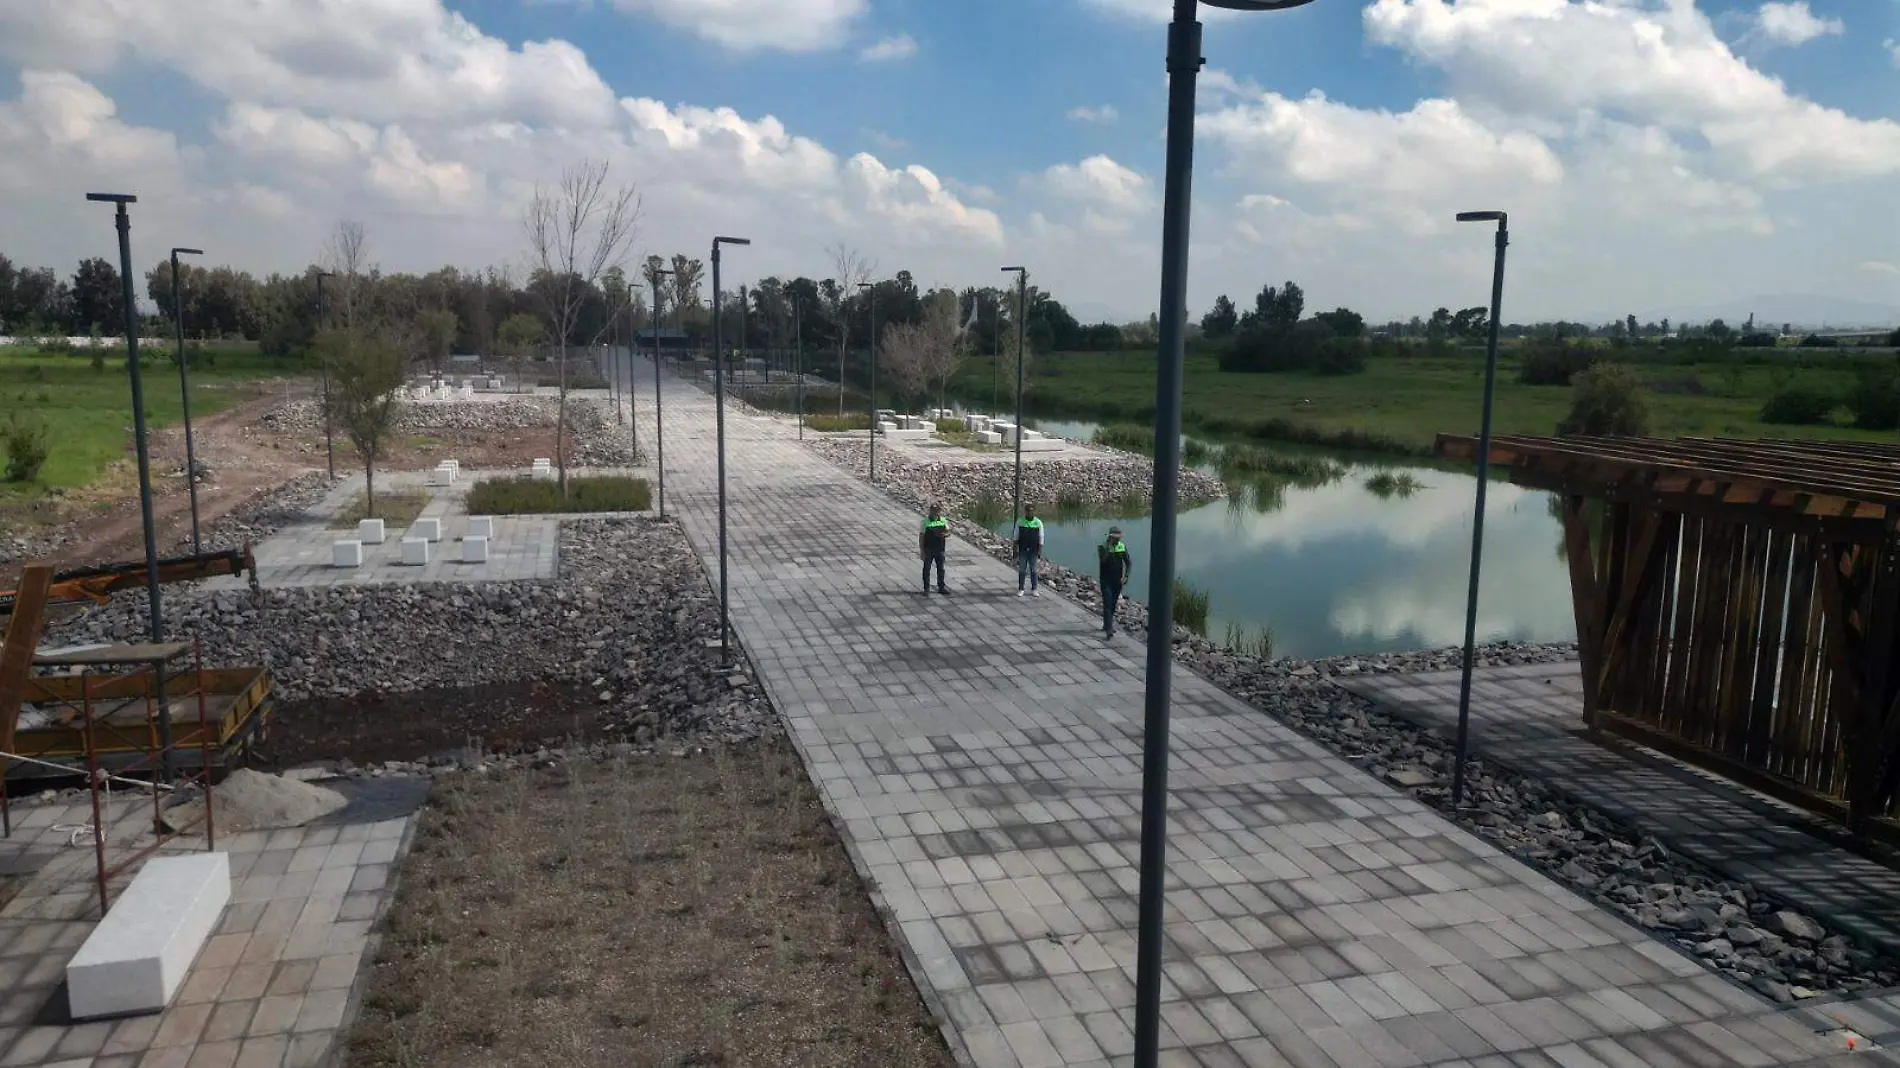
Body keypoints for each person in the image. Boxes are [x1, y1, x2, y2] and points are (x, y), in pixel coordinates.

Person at [1097, 526, 1131, 638]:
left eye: (1118, 538)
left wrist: (1126, 576)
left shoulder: (1122, 547)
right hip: (1105, 579)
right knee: (1107, 602)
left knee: (1113, 604)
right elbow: (1103, 560)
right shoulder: (1102, 546)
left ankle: (1107, 624)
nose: (1117, 540)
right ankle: (1109, 629)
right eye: (1115, 538)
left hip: (1118, 580)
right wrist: (1109, 547)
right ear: (1110, 537)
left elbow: (1128, 563)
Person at [919, 503, 950, 594]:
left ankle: (941, 587)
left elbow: (948, 532)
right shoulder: (925, 521)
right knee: (926, 568)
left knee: (941, 568)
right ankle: (926, 588)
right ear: (930, 510)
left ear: (939, 511)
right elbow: (921, 536)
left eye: (936, 510)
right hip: (928, 549)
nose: (934, 512)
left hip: (940, 549)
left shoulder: (943, 520)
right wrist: (922, 550)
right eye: (932, 510)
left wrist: (945, 535)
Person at [1015, 506, 1044, 597]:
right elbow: (1016, 536)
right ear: (1025, 512)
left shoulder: (1038, 522)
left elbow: (1041, 537)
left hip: (1033, 550)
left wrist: (1040, 550)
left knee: (1033, 570)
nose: (1029, 513)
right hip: (1023, 549)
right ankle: (1021, 588)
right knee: (1022, 570)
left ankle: (1034, 589)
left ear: (1034, 512)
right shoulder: (1020, 522)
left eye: (1031, 511)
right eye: (1028, 511)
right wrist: (1015, 549)